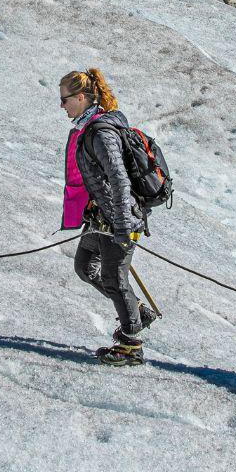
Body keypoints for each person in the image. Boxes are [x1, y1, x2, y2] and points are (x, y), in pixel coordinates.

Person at [60, 68, 154, 366]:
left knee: (114, 278)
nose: (62, 105)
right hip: (100, 218)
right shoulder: (88, 128)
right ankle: (137, 313)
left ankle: (131, 345)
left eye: (65, 99)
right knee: (85, 266)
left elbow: (118, 178)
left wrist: (123, 225)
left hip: (118, 220)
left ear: (82, 98)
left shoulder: (101, 133)